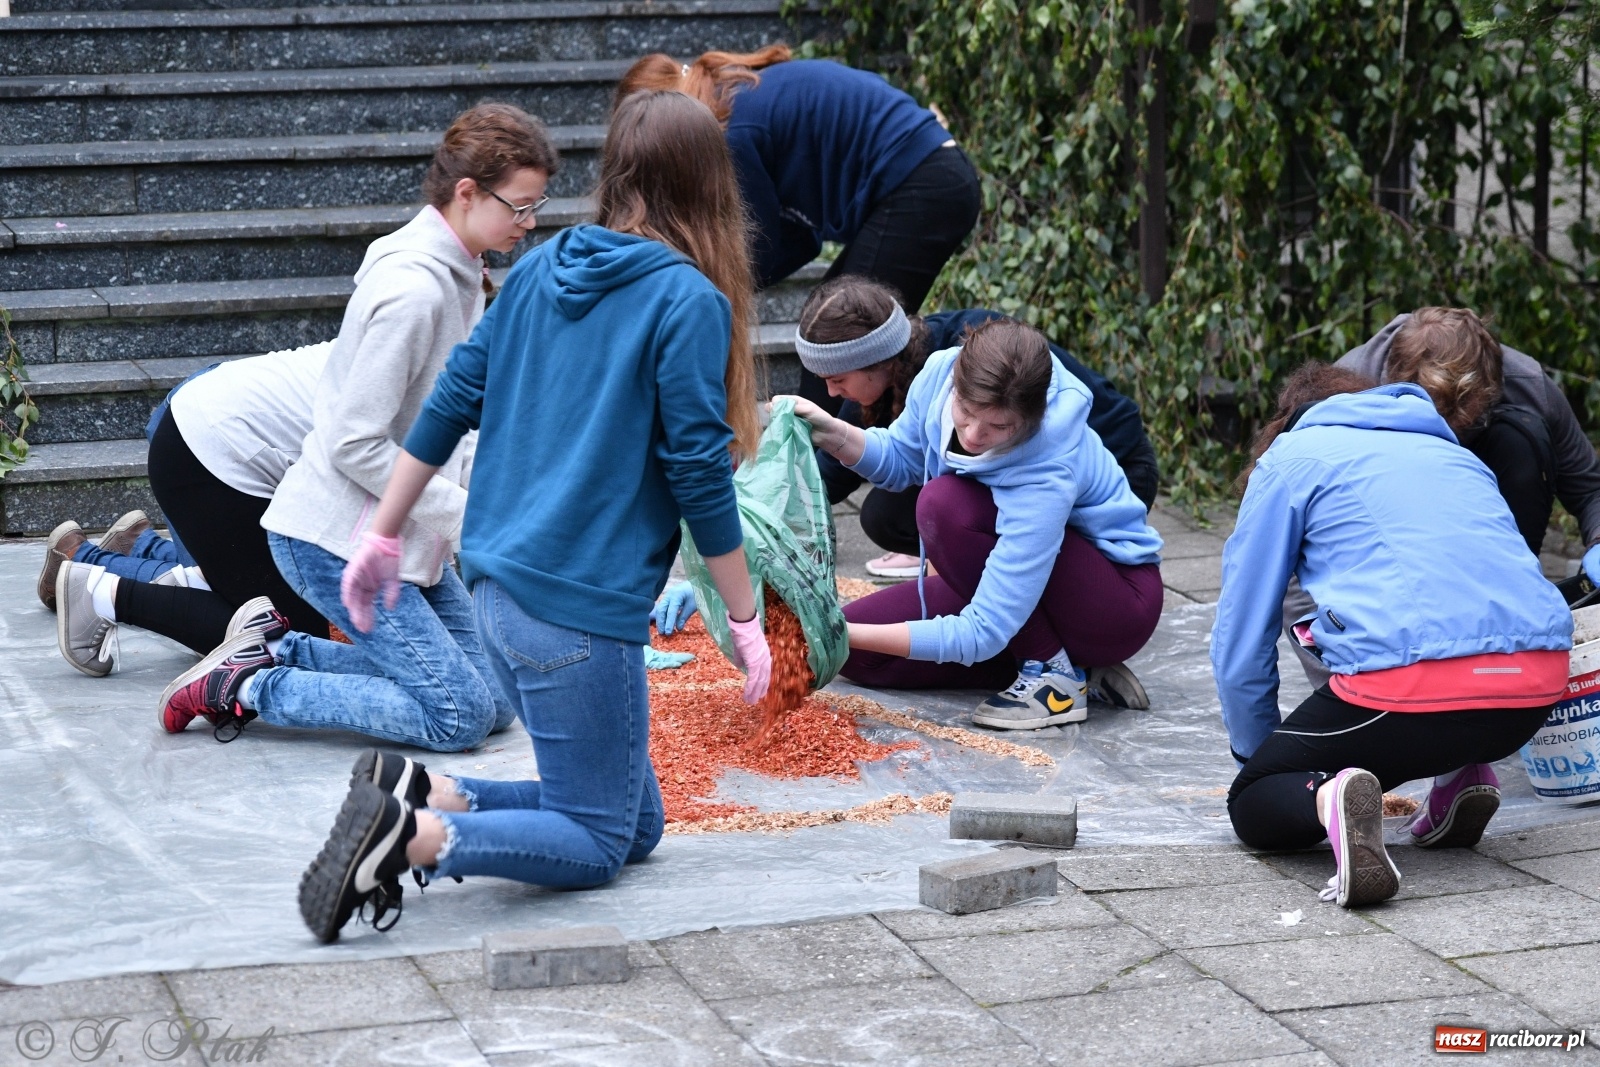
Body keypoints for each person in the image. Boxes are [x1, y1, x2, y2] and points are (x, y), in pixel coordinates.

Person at [295, 90, 773, 942]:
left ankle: (425, 794)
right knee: (594, 840)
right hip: (574, 616)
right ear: (712, 186)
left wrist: (380, 533)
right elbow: (698, 473)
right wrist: (744, 617)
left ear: (616, 172)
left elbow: (447, 404)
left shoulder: (544, 266)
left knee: (636, 824)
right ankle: (413, 839)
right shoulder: (688, 302)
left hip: (494, 593)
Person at [154, 102, 556, 748]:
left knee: (497, 701)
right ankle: (244, 688)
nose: (529, 223)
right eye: (520, 207)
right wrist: (469, 514)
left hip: (398, 531)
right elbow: (352, 440)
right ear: (466, 193)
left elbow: (446, 419)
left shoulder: (458, 274)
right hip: (332, 536)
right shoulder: (415, 290)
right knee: (456, 716)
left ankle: (279, 655)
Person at [1215, 363, 1572, 909]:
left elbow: (1241, 638)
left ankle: (1331, 798)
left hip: (1410, 699)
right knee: (1449, 673)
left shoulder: (1291, 460)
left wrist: (1261, 759)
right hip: (1534, 692)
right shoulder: (1456, 456)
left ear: (1286, 419)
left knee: (1253, 802)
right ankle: (1461, 780)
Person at [784, 317, 1164, 730]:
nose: (974, 435)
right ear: (955, 382)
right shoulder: (939, 373)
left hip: (1113, 602)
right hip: (1042, 582)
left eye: (999, 426)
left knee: (943, 506)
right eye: (965, 412)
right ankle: (1080, 668)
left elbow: (982, 630)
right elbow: (899, 458)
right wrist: (829, 431)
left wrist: (834, 630)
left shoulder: (1048, 467)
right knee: (862, 654)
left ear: (1031, 418)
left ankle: (1053, 677)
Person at [615, 45, 982, 414]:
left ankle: (824, 463)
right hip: (932, 176)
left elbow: (759, 247)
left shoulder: (735, 132)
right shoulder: (736, 101)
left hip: (924, 182)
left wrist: (698, 285)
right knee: (839, 337)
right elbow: (800, 241)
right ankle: (837, 459)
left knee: (839, 336)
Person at [1286, 307, 1600, 688]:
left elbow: (1590, 489)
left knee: (1522, 436)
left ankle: (1508, 606)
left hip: (1487, 499)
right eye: (1439, 415)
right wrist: (1334, 680)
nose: (1450, 429)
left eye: (1463, 417)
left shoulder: (1528, 383)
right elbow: (1289, 554)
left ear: (1492, 386)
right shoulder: (1345, 392)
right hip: (1388, 514)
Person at [43, 344, 334, 682]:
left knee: (276, 592)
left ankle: (149, 557)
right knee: (295, 640)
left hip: (211, 411)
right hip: (215, 448)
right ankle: (97, 585)